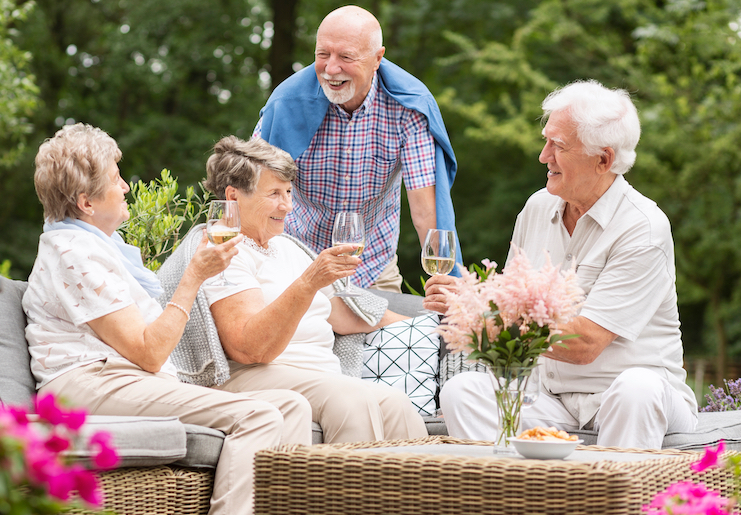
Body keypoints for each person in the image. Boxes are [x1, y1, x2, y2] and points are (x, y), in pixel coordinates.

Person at [22, 124, 314, 515]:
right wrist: (194, 275)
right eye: (116, 177)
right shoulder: (72, 253)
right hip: (86, 385)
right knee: (258, 416)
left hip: (120, 379)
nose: (126, 186)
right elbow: (149, 353)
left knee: (291, 404)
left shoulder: (102, 249)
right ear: (86, 202)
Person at [424, 80, 698, 450]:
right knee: (464, 390)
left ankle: (614, 505)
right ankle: (509, 503)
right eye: (546, 140)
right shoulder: (537, 207)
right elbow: (508, 304)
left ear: (603, 159)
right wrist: (472, 309)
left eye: (559, 146)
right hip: (551, 399)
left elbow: (585, 342)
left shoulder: (643, 227)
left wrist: (481, 308)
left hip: (633, 397)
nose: (543, 155)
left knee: (636, 389)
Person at [197, 136, 428, 443]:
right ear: (233, 196)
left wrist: (434, 326)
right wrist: (309, 283)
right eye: (275, 194)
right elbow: (249, 347)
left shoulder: (289, 248)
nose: (288, 206)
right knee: (353, 401)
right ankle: (347, 493)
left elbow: (347, 317)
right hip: (257, 372)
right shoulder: (223, 249)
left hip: (319, 375)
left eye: (290, 193)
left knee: (398, 405)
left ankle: (411, 492)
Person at [253, 5, 461, 292]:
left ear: (378, 59)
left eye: (346, 57)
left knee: (390, 335)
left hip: (372, 266)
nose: (331, 68)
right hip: (295, 262)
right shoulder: (285, 104)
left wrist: (448, 289)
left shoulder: (410, 108)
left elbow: (427, 214)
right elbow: (250, 195)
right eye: (323, 54)